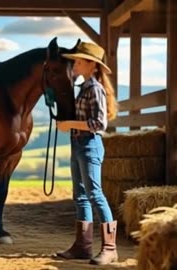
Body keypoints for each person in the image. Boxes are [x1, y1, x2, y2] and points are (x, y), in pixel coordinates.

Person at [55, 42, 119, 265]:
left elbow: (99, 123)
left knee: (95, 195)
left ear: (92, 65)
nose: (75, 63)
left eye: (79, 61)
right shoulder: (83, 87)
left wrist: (69, 124)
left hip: (89, 145)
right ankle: (83, 246)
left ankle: (110, 248)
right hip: (78, 144)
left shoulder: (94, 89)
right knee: (80, 196)